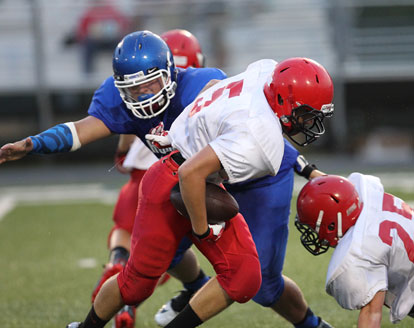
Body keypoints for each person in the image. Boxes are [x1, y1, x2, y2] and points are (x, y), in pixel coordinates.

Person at [64, 55, 335, 328]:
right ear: (281, 102)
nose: (310, 122)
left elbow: (214, 87)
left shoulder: (265, 73)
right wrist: (203, 230)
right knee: (137, 284)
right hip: (170, 181)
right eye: (306, 114)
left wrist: (188, 129)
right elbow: (189, 173)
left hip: (198, 177)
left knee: (245, 276)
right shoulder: (259, 142)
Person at [96, 29, 210, 328]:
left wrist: (122, 154)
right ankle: (193, 284)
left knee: (130, 232)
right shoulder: (191, 82)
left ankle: (119, 263)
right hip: (181, 170)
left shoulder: (142, 77)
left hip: (145, 168)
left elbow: (126, 128)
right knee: (168, 249)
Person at [295, 174, 414, 327]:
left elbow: (372, 312)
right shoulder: (367, 195)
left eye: (313, 227)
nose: (312, 233)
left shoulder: (361, 249)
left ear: (333, 224)